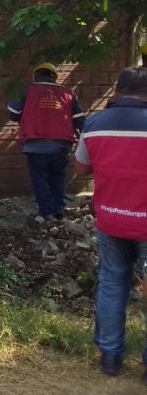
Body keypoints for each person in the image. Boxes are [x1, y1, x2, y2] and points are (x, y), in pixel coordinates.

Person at [74, 66, 147, 382]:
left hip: (111, 219)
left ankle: (110, 357)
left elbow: (80, 170)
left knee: (112, 284)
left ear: (117, 91)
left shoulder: (94, 124)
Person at [7, 62, 85, 219]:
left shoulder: (26, 91)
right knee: (58, 176)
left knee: (39, 178)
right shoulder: (68, 94)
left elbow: (13, 113)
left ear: (36, 76)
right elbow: (80, 121)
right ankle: (58, 209)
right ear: (54, 77)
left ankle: (47, 211)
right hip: (62, 143)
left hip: (35, 143)